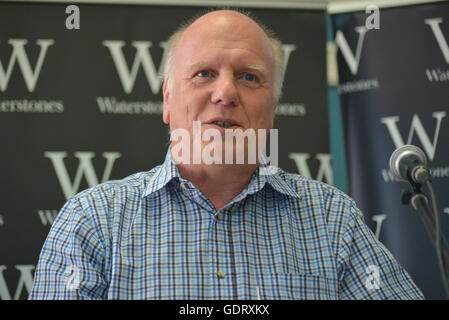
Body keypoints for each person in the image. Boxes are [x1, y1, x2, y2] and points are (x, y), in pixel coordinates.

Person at [29, 9, 424, 300]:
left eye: (248, 77)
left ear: (272, 107)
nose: (226, 93)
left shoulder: (331, 219)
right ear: (168, 99)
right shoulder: (94, 220)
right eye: (203, 74)